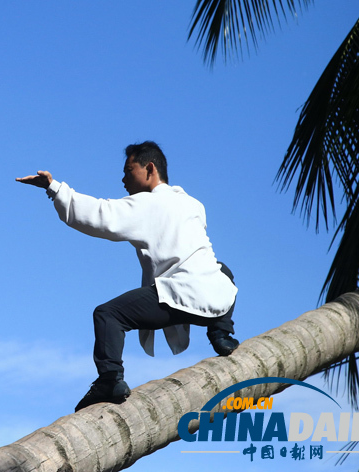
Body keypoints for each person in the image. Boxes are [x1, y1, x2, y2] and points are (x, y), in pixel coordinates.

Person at [16, 141, 239, 411]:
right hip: (215, 297)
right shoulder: (193, 204)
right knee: (222, 269)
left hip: (177, 296)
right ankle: (222, 332)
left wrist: (54, 188)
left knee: (108, 314)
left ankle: (110, 379)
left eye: (128, 170)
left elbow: (100, 214)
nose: (123, 178)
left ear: (150, 168)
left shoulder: (148, 203)